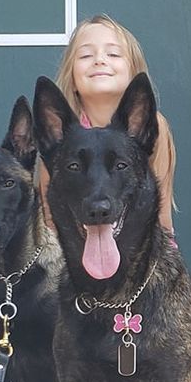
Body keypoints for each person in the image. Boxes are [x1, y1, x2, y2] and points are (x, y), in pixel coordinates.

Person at [40, 14, 179, 237]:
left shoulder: (155, 126)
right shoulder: (60, 135)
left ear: (133, 72)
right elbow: (52, 219)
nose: (99, 60)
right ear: (72, 77)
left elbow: (160, 212)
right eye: (86, 55)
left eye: (113, 54)